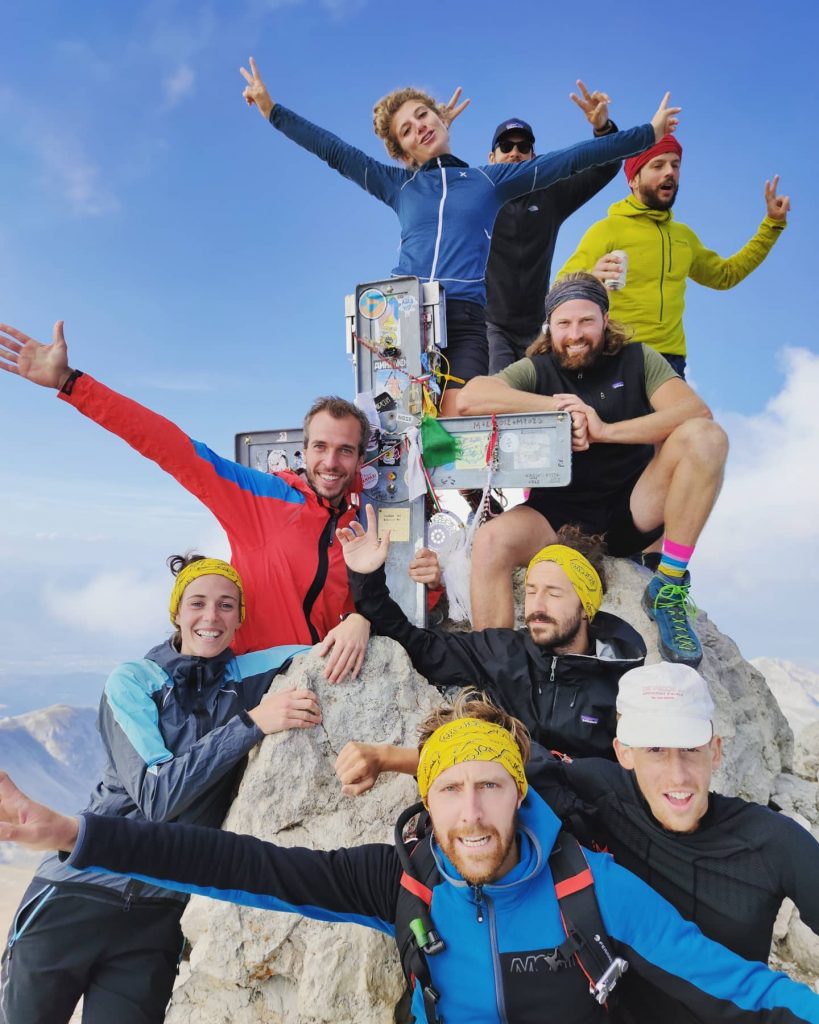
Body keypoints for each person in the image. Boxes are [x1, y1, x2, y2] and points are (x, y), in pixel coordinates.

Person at [2, 693, 818, 1024]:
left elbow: (737, 984)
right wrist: (69, 833)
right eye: (452, 790)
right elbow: (238, 865)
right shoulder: (400, 879)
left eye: (490, 789)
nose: (470, 815)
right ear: (426, 801)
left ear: (519, 795)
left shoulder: (591, 888)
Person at [240, 57, 680, 412]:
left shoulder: (491, 181)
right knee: (400, 419)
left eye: (423, 116)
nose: (420, 128)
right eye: (407, 131)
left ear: (441, 118)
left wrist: (648, 134)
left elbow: (571, 160)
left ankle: (521, 445)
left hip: (467, 318)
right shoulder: (399, 185)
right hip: (403, 315)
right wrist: (272, 110)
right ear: (403, 151)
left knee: (463, 409)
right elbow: (335, 151)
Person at [0, 320, 435, 679]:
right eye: (321, 447)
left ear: (361, 458)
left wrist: (429, 588)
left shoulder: (364, 527)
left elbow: (391, 598)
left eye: (344, 450)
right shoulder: (261, 498)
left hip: (315, 685)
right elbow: (169, 446)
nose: (331, 462)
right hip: (242, 686)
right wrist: (71, 383)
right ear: (305, 451)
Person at [0, 553, 322, 1024]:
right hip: (75, 897)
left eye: (226, 605)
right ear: (177, 612)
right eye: (197, 603)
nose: (211, 617)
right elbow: (157, 798)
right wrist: (250, 724)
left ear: (240, 618)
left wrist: (354, 621)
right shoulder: (132, 682)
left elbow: (324, 649)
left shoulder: (248, 675)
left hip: (157, 918)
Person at [456, 272, 729, 666]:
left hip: (631, 509)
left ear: (604, 319)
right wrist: (558, 407)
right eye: (564, 324)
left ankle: (668, 588)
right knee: (490, 542)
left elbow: (695, 411)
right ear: (551, 328)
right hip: (556, 516)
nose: (575, 333)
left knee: (707, 438)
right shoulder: (538, 368)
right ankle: (498, 674)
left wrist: (604, 431)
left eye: (586, 321)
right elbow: (470, 398)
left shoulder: (638, 359)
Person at [337, 506, 645, 759]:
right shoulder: (503, 652)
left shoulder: (624, 682)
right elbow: (418, 646)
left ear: (585, 608)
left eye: (553, 594)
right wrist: (367, 580)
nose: (535, 607)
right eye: (532, 590)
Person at [558, 134, 790, 375]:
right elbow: (560, 288)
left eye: (675, 165)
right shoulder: (606, 230)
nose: (669, 172)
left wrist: (772, 225)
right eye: (658, 165)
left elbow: (725, 276)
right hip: (616, 354)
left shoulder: (684, 236)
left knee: (693, 413)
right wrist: (591, 278)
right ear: (633, 180)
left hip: (670, 361)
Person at [485, 81, 623, 372]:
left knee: (538, 403)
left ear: (533, 157)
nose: (515, 153)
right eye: (506, 146)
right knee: (499, 392)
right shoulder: (479, 199)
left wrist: (603, 129)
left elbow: (605, 167)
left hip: (537, 326)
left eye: (524, 147)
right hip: (492, 325)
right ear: (491, 158)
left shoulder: (551, 196)